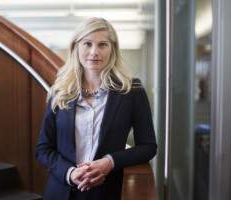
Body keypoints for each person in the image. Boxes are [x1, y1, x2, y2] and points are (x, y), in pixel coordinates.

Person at [35, 17, 157, 200]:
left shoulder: (132, 91)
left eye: (102, 44)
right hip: (62, 192)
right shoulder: (60, 92)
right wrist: (70, 173)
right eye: (87, 44)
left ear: (112, 49)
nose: (94, 52)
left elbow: (148, 147)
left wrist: (109, 162)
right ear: (76, 48)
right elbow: (43, 149)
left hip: (107, 192)